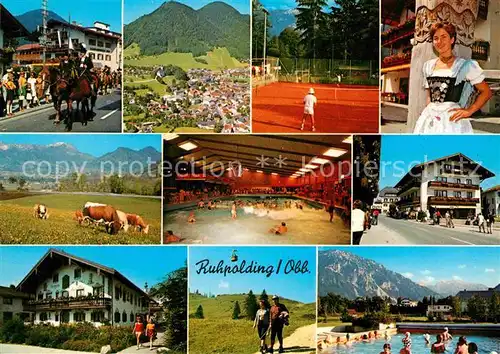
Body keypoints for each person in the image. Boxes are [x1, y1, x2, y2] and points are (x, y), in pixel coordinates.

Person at [413, 23, 493, 134]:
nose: (439, 42)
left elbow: (486, 92)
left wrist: (469, 111)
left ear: (452, 40)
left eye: (443, 37)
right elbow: (429, 97)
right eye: (436, 38)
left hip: (452, 120)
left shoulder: (464, 66)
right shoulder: (428, 66)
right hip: (430, 120)